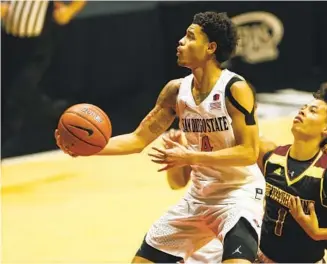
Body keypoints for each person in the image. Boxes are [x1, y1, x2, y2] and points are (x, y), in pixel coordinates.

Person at [56, 11, 265, 263]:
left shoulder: (235, 89)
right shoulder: (176, 90)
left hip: (238, 195)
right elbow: (137, 140)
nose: (180, 42)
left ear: (210, 47)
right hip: (199, 197)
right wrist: (86, 149)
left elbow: (248, 152)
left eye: (189, 37)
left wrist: (190, 156)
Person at [165, 83, 327, 263]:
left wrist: (321, 235)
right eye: (303, 107)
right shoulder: (273, 158)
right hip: (255, 254)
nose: (302, 111)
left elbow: (310, 226)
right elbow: (278, 214)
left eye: (312, 111)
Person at [1, 0, 86, 157]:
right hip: (7, 41)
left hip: (36, 46)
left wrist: (69, 11)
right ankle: (60, 115)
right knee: (15, 94)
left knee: (17, 95)